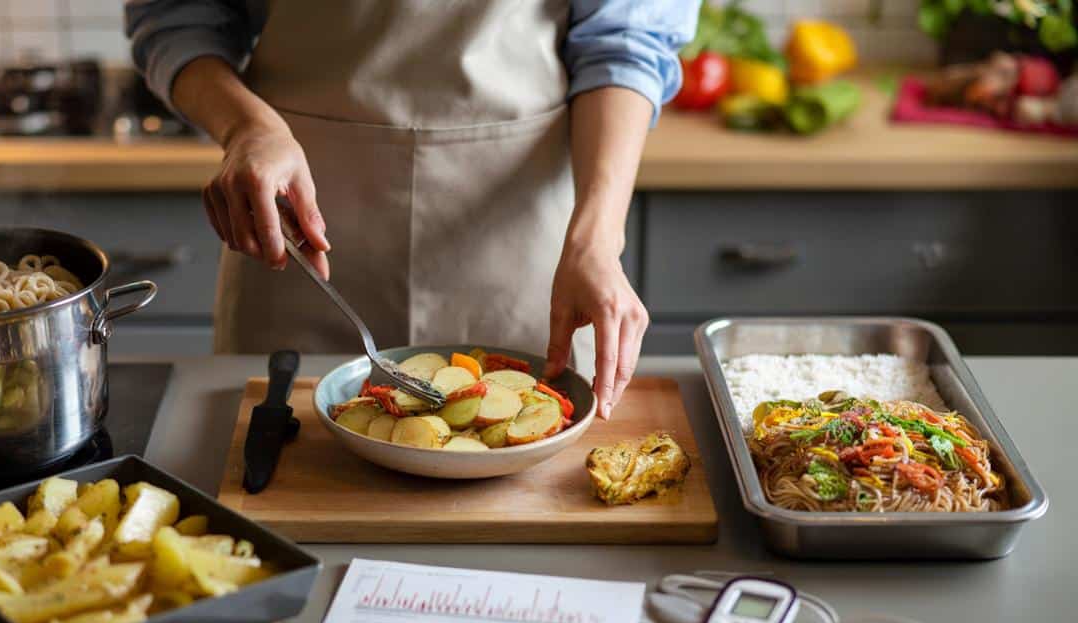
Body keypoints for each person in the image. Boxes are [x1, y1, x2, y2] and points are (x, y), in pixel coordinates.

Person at [127, 0, 696, 419]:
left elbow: (625, 40)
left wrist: (597, 240)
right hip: (296, 222)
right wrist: (245, 127)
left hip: (525, 245)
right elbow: (179, 16)